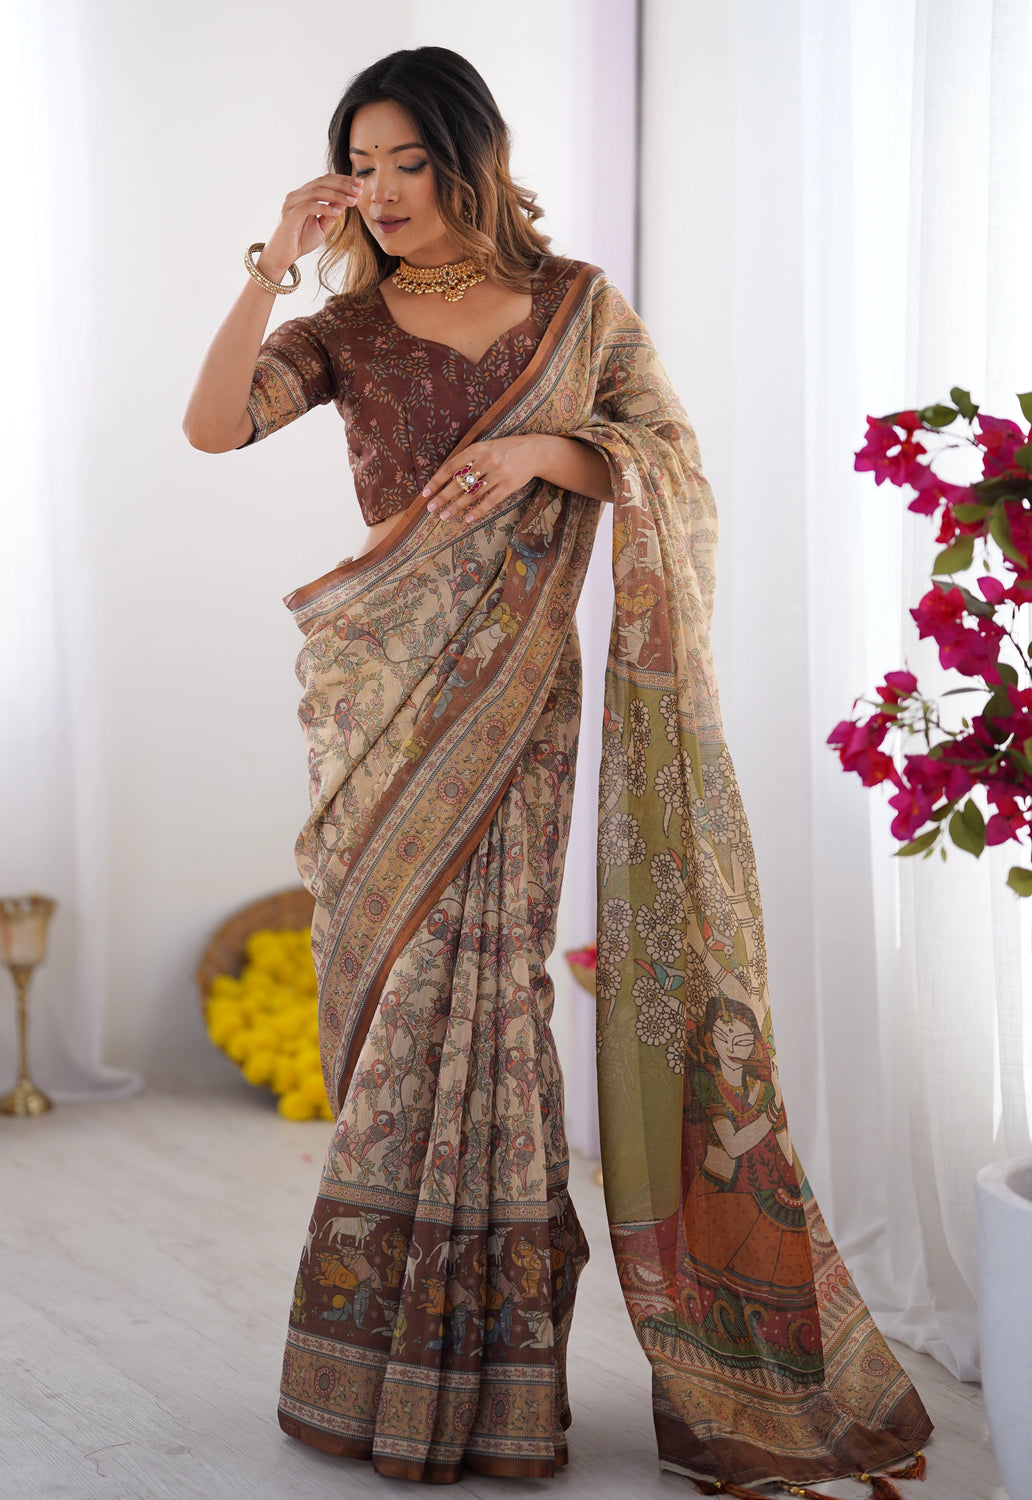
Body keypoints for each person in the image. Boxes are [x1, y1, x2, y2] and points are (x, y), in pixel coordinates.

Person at [184, 45, 933, 1497]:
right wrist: (270, 264)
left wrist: (544, 448)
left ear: (471, 156)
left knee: (498, 1003)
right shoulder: (344, 325)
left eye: (410, 161)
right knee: (408, 1019)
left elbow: (671, 460)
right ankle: (377, 1370)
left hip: (520, 699)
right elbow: (215, 424)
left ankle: (496, 1386)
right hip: (388, 710)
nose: (386, 192)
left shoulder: (580, 305)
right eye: (363, 164)